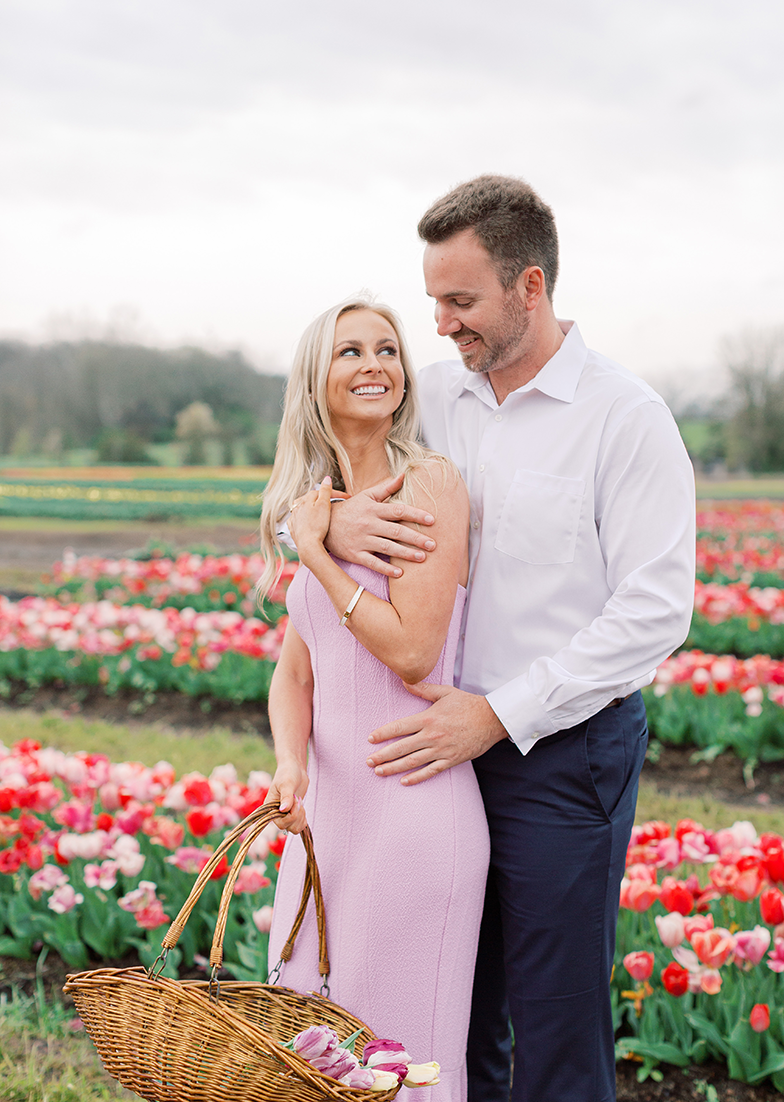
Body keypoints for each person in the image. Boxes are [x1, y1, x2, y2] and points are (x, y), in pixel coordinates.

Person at [322, 176, 696, 1102]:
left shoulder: (626, 418)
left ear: (531, 287)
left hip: (561, 757)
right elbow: (337, 466)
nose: (441, 325)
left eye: (461, 301)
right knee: (448, 1020)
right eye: (434, 302)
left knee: (559, 1037)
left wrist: (498, 714)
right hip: (434, 759)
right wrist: (319, 523)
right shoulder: (435, 403)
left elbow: (654, 610)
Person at [259, 297, 490, 1102]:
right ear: (315, 378)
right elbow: (295, 672)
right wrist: (290, 767)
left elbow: (413, 649)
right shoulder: (318, 499)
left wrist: (317, 551)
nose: (374, 365)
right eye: (350, 350)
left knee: (402, 1066)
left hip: (413, 809)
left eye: (388, 350)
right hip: (324, 825)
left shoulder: (427, 481)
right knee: (308, 1058)